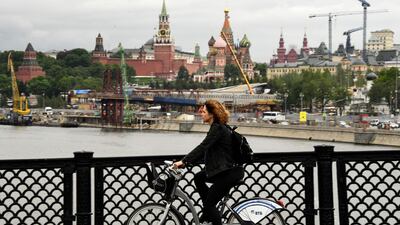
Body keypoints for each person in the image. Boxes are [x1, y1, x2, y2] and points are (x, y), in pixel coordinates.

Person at [173, 99, 244, 225]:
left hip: (229, 173)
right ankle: (208, 214)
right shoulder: (219, 127)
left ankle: (209, 211)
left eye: (204, 111)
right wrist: (187, 163)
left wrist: (183, 161)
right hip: (226, 169)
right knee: (199, 177)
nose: (201, 113)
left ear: (212, 114)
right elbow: (207, 153)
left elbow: (202, 147)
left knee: (210, 205)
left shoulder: (217, 128)